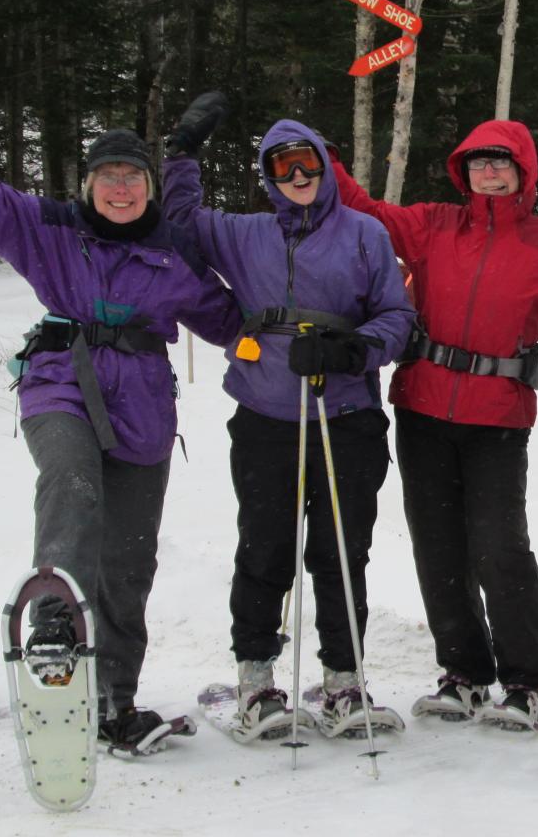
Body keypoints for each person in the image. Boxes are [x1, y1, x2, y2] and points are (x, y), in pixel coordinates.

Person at [0, 69, 243, 752]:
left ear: (148, 185)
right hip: (62, 382)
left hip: (142, 406)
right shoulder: (49, 229)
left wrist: (303, 335)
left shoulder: (173, 255)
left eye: (131, 176)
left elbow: (233, 321)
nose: (119, 187)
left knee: (130, 562)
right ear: (88, 185)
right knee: (71, 484)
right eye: (107, 176)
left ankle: (115, 701)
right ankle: (52, 626)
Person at [159, 96, 415, 733]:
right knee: (265, 548)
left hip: (346, 415)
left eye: (305, 163)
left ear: (325, 166)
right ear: (268, 177)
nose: (297, 178)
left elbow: (397, 317)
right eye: (281, 168)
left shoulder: (365, 233)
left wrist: (356, 347)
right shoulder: (246, 234)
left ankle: (343, 681)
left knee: (340, 552)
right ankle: (256, 679)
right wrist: (182, 155)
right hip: (267, 417)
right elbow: (180, 221)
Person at [329, 120, 538, 724]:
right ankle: (464, 671)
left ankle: (530, 681)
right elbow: (363, 208)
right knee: (438, 548)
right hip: (422, 407)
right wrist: (326, 159)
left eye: (502, 164)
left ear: (524, 172)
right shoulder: (434, 225)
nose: (489, 173)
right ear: (462, 171)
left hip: (498, 416)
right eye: (478, 163)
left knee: (499, 546)